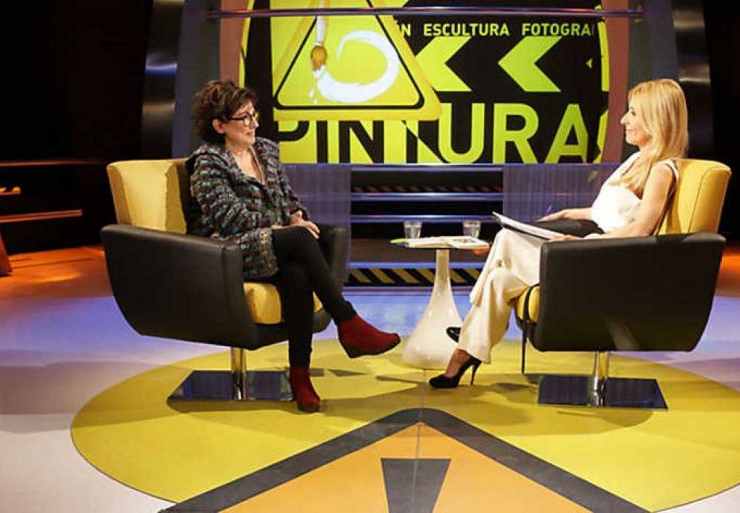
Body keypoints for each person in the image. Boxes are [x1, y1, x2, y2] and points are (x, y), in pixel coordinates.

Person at [430, 78, 689, 388]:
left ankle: (468, 329)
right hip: (595, 251)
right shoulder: (637, 160)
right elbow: (609, 212)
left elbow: (641, 229)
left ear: (655, 118)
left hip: (607, 262)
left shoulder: (662, 170)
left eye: (633, 113)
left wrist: (582, 243)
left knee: (506, 238)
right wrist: (567, 214)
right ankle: (465, 353)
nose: (623, 120)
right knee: (499, 280)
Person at [185, 79, 400, 412]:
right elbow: (229, 218)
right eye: (244, 117)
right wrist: (284, 226)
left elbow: (288, 197)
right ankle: (348, 321)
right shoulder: (207, 163)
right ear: (219, 125)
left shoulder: (266, 151)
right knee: (298, 238)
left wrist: (295, 215)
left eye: (254, 115)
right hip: (227, 251)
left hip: (271, 243)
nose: (253, 123)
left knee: (298, 273)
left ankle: (301, 377)